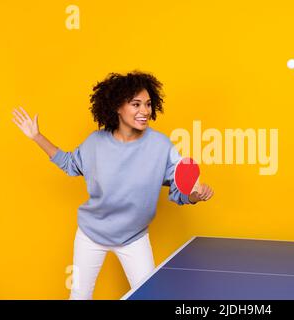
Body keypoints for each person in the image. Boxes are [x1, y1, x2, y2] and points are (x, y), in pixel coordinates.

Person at [12, 71, 214, 300]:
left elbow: (179, 190)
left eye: (148, 104)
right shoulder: (95, 142)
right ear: (118, 107)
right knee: (79, 295)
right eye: (136, 104)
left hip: (133, 237)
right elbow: (70, 164)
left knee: (149, 295)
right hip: (91, 234)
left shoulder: (160, 145)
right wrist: (37, 136)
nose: (145, 111)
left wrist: (195, 195)